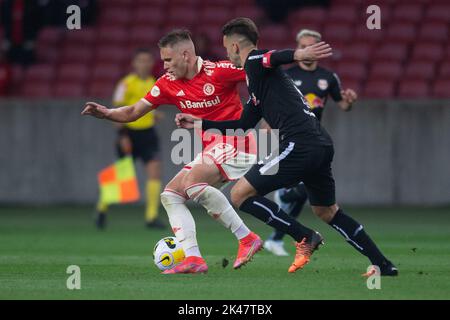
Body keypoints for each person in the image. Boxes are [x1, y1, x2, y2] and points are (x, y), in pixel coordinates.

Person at [176, 17, 397, 276]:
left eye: (226, 48)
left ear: (235, 46)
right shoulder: (260, 84)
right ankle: (383, 265)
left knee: (239, 195)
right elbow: (243, 124)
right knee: (327, 211)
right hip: (320, 144)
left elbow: (272, 57)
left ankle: (304, 237)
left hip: (301, 144)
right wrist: (199, 123)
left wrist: (298, 53)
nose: (227, 54)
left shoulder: (255, 62)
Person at [82, 30, 262, 274]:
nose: (164, 65)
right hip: (214, 150)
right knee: (170, 195)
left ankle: (247, 238)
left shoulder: (218, 71)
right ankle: (193, 258)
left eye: (168, 60)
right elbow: (133, 111)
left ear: (186, 55)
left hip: (239, 143)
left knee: (191, 182)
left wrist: (261, 101)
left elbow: (258, 68)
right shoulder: (167, 84)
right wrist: (106, 113)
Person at [264, 29, 358, 256]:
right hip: (289, 137)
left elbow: (342, 105)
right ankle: (281, 215)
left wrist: (348, 102)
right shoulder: (285, 75)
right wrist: (268, 133)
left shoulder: (328, 78)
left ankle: (276, 237)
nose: (307, 51)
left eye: (311, 46)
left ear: (318, 49)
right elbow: (272, 107)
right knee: (302, 191)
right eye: (302, 46)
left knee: (303, 192)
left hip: (313, 140)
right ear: (298, 47)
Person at [95, 48, 165, 230]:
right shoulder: (125, 84)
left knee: (154, 171)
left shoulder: (155, 83)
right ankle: (102, 208)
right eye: (141, 60)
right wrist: (122, 136)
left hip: (148, 134)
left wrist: (155, 115)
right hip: (130, 134)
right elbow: (116, 112)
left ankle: (151, 216)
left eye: (148, 60)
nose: (144, 64)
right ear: (134, 63)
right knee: (121, 176)